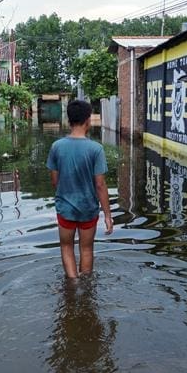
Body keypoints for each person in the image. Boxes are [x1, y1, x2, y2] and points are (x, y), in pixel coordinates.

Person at [47, 100, 113, 279]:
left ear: (69, 120)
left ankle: (73, 284)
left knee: (66, 246)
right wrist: (107, 215)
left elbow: (55, 181)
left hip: (65, 208)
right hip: (88, 209)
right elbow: (100, 185)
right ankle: (85, 287)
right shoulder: (96, 149)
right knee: (86, 248)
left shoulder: (57, 147)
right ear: (88, 120)